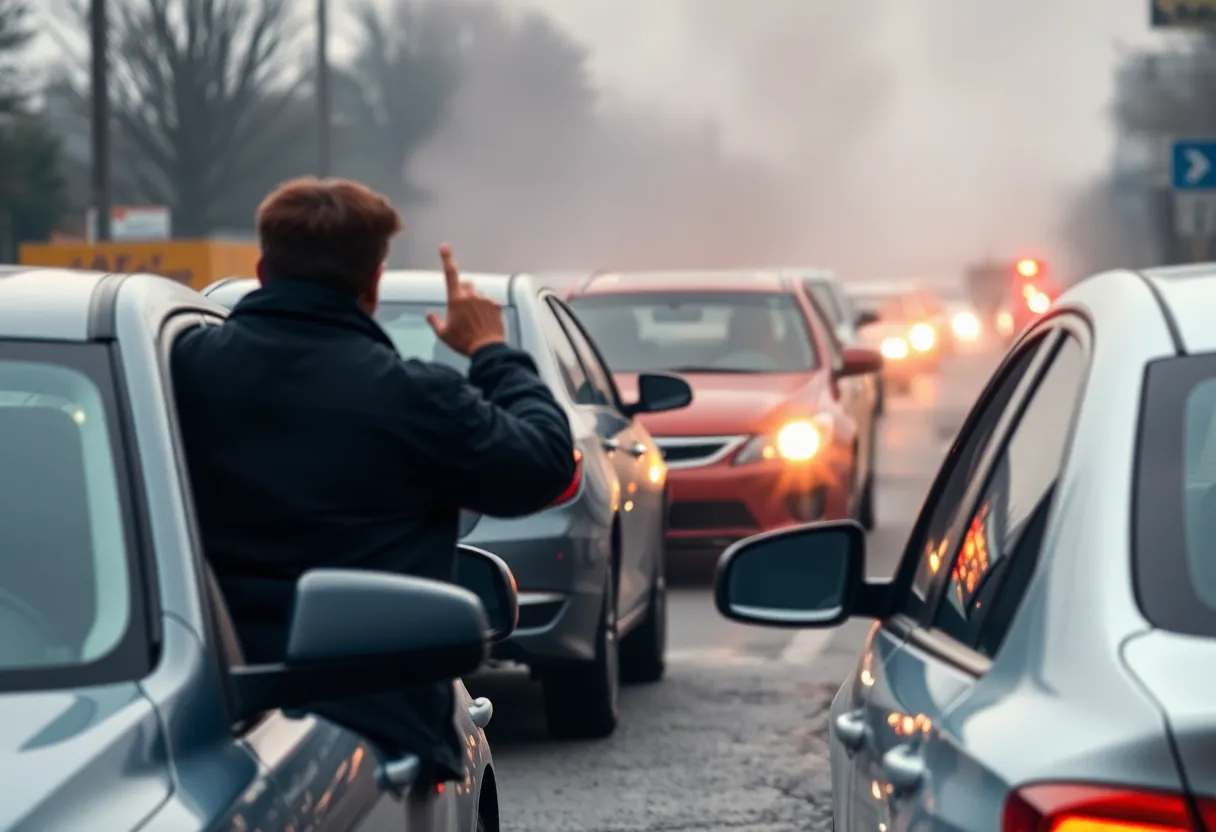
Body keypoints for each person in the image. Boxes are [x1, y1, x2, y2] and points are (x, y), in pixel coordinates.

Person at [171, 176, 576, 783]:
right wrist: (492, 349)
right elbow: (543, 463)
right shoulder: (415, 398)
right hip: (377, 724)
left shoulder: (176, 371)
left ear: (261, 267)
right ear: (374, 283)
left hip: (193, 699)